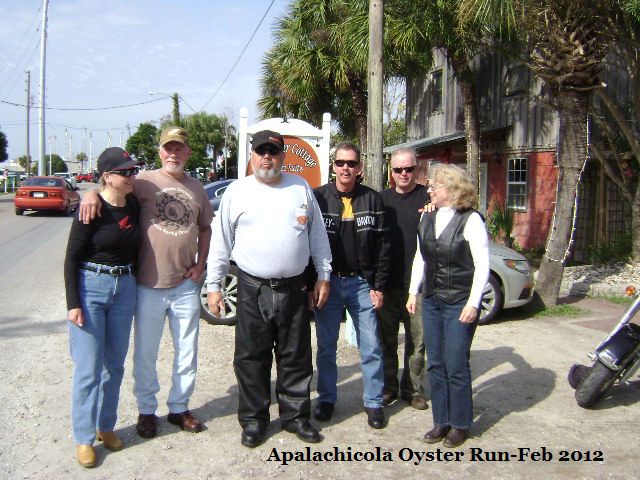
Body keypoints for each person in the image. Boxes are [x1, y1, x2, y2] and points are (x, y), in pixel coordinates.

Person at [79, 127, 214, 439]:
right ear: (160, 152)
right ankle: (146, 411)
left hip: (184, 284)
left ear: (188, 153)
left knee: (186, 352)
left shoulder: (197, 188)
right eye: (168, 148)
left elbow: (205, 228)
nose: (173, 154)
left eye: (179, 148)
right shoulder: (142, 182)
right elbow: (109, 192)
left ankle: (179, 407)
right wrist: (88, 193)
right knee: (145, 353)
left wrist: (202, 263)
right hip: (146, 285)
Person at [206, 130, 332, 448]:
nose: (267, 157)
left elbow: (317, 236)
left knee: (296, 356)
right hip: (252, 288)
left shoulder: (300, 187)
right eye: (261, 151)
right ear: (252, 155)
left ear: (282, 156)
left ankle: (295, 417)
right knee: (251, 358)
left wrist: (324, 275)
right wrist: (213, 286)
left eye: (273, 152)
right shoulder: (238, 191)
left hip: (293, 288)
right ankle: (254, 420)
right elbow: (221, 242)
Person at [64, 147, 140, 467]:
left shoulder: (134, 201)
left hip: (125, 287)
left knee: (116, 364)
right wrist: (73, 304)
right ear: (107, 176)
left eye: (133, 171)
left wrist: (93, 190)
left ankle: (105, 427)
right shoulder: (90, 210)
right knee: (88, 369)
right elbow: (71, 258)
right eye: (124, 172)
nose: (131, 176)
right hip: (91, 287)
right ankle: (83, 438)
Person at [406, 163, 489, 448]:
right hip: (432, 300)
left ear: (452, 189)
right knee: (436, 363)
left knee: (455, 363)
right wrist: (412, 292)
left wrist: (473, 303)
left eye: (434, 186)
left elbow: (482, 265)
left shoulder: (471, 220)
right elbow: (421, 258)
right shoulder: (426, 218)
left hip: (459, 302)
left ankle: (460, 424)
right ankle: (441, 421)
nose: (428, 189)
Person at [310, 141, 391, 429]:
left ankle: (373, 402)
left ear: (360, 168)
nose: (346, 168)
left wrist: (378, 285)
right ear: (333, 166)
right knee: (326, 347)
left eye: (352, 163)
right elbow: (308, 245)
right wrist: (313, 284)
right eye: (341, 163)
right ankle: (327, 399)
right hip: (328, 283)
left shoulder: (373, 199)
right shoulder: (318, 198)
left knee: (370, 346)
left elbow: (383, 246)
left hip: (361, 283)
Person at [378, 148, 429, 410]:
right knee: (386, 340)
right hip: (387, 284)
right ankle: (389, 388)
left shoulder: (429, 198)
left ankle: (413, 389)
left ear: (416, 169)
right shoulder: (381, 199)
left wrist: (435, 207)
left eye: (409, 169)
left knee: (417, 342)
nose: (404, 174)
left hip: (418, 286)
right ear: (391, 170)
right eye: (398, 169)